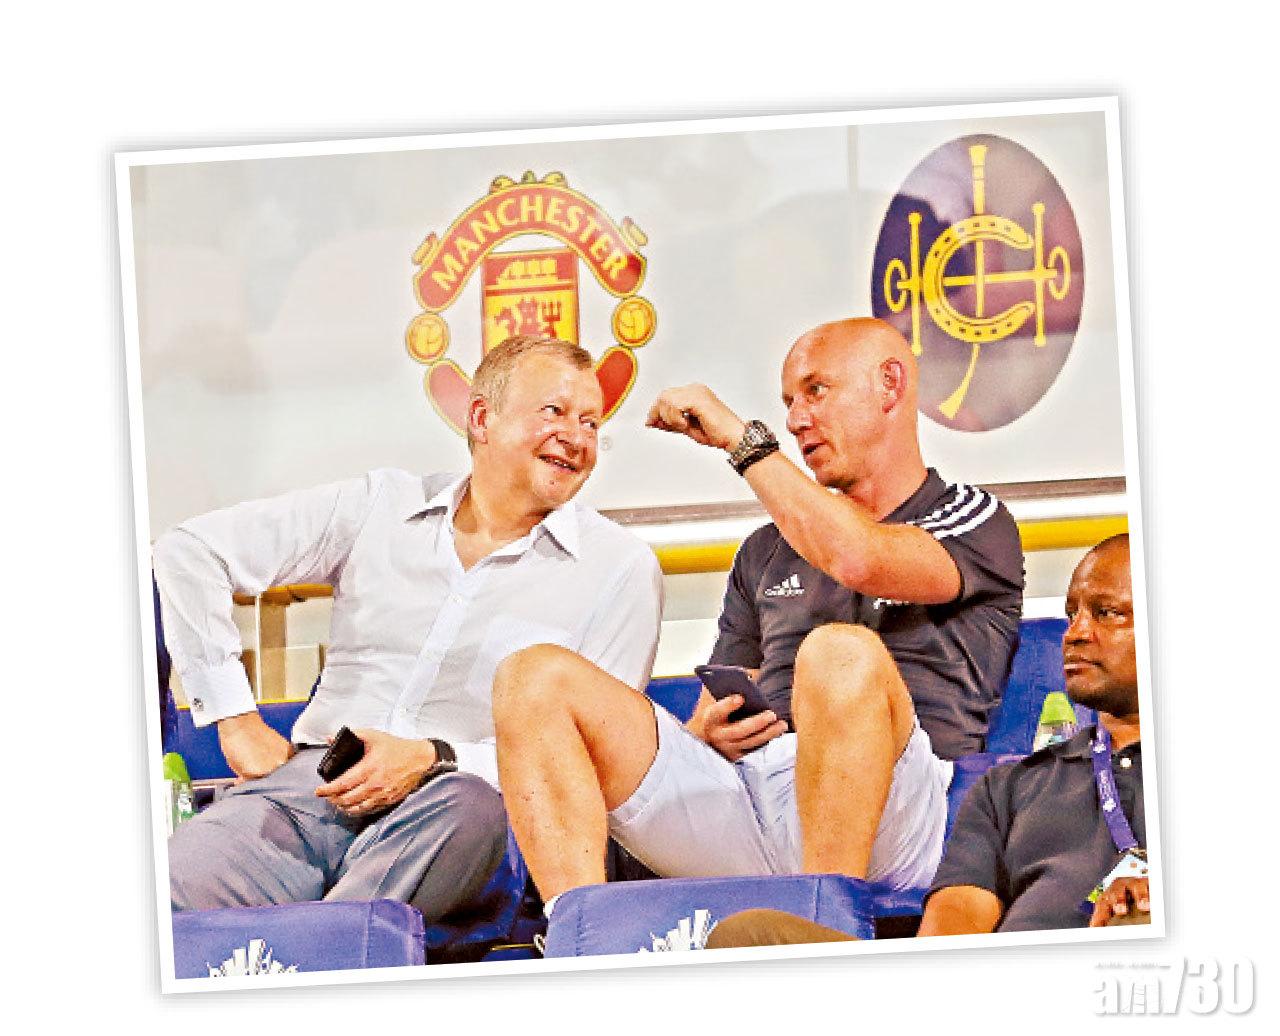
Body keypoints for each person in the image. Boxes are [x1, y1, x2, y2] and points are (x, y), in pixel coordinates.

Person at [493, 317, 1023, 910]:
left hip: (895, 810)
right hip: (753, 796)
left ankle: (823, 925)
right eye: (789, 403)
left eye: (816, 391)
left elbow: (859, 557)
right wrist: (707, 733)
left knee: (837, 652)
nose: (796, 420)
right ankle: (581, 933)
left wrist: (741, 443)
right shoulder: (765, 550)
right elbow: (715, 708)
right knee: (533, 676)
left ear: (890, 385)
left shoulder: (972, 519)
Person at [155, 335, 663, 922]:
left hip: (461, 812)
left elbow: (594, 763)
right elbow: (188, 551)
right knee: (166, 891)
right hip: (310, 789)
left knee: (466, 809)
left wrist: (434, 757)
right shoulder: (382, 504)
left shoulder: (620, 568)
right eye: (555, 411)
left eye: (591, 422)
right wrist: (234, 718)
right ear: (482, 418)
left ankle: (324, 951)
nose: (576, 437)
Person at [703, 533, 1147, 948]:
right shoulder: (1010, 786)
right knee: (749, 935)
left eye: (1107, 613)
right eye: (1072, 614)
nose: (1076, 633)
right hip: (994, 983)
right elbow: (955, 916)